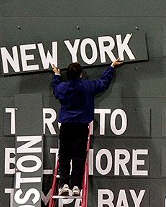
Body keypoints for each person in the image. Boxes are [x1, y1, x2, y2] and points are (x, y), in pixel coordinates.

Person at [51, 58, 123, 196]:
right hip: (81, 127)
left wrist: (56, 75)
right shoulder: (87, 86)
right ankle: (76, 185)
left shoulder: (62, 87)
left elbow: (56, 89)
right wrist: (111, 67)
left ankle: (64, 184)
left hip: (66, 126)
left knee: (64, 155)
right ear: (81, 74)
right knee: (79, 156)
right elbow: (103, 83)